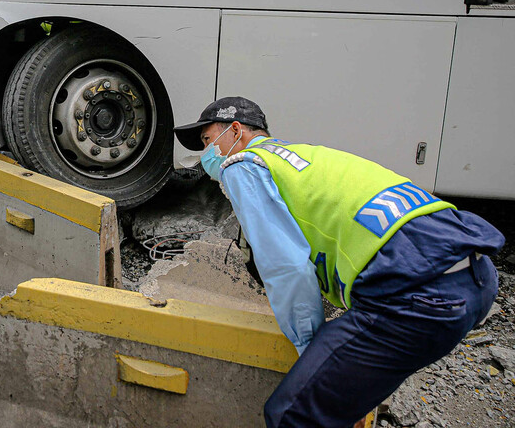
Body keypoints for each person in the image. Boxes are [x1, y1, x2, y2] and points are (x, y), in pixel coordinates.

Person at [175, 97, 504, 428]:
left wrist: (312, 351)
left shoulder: (243, 165)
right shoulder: (305, 156)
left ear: (235, 130)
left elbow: (287, 267)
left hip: (419, 294)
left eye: (207, 141)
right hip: (476, 275)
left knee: (291, 414)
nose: (207, 154)